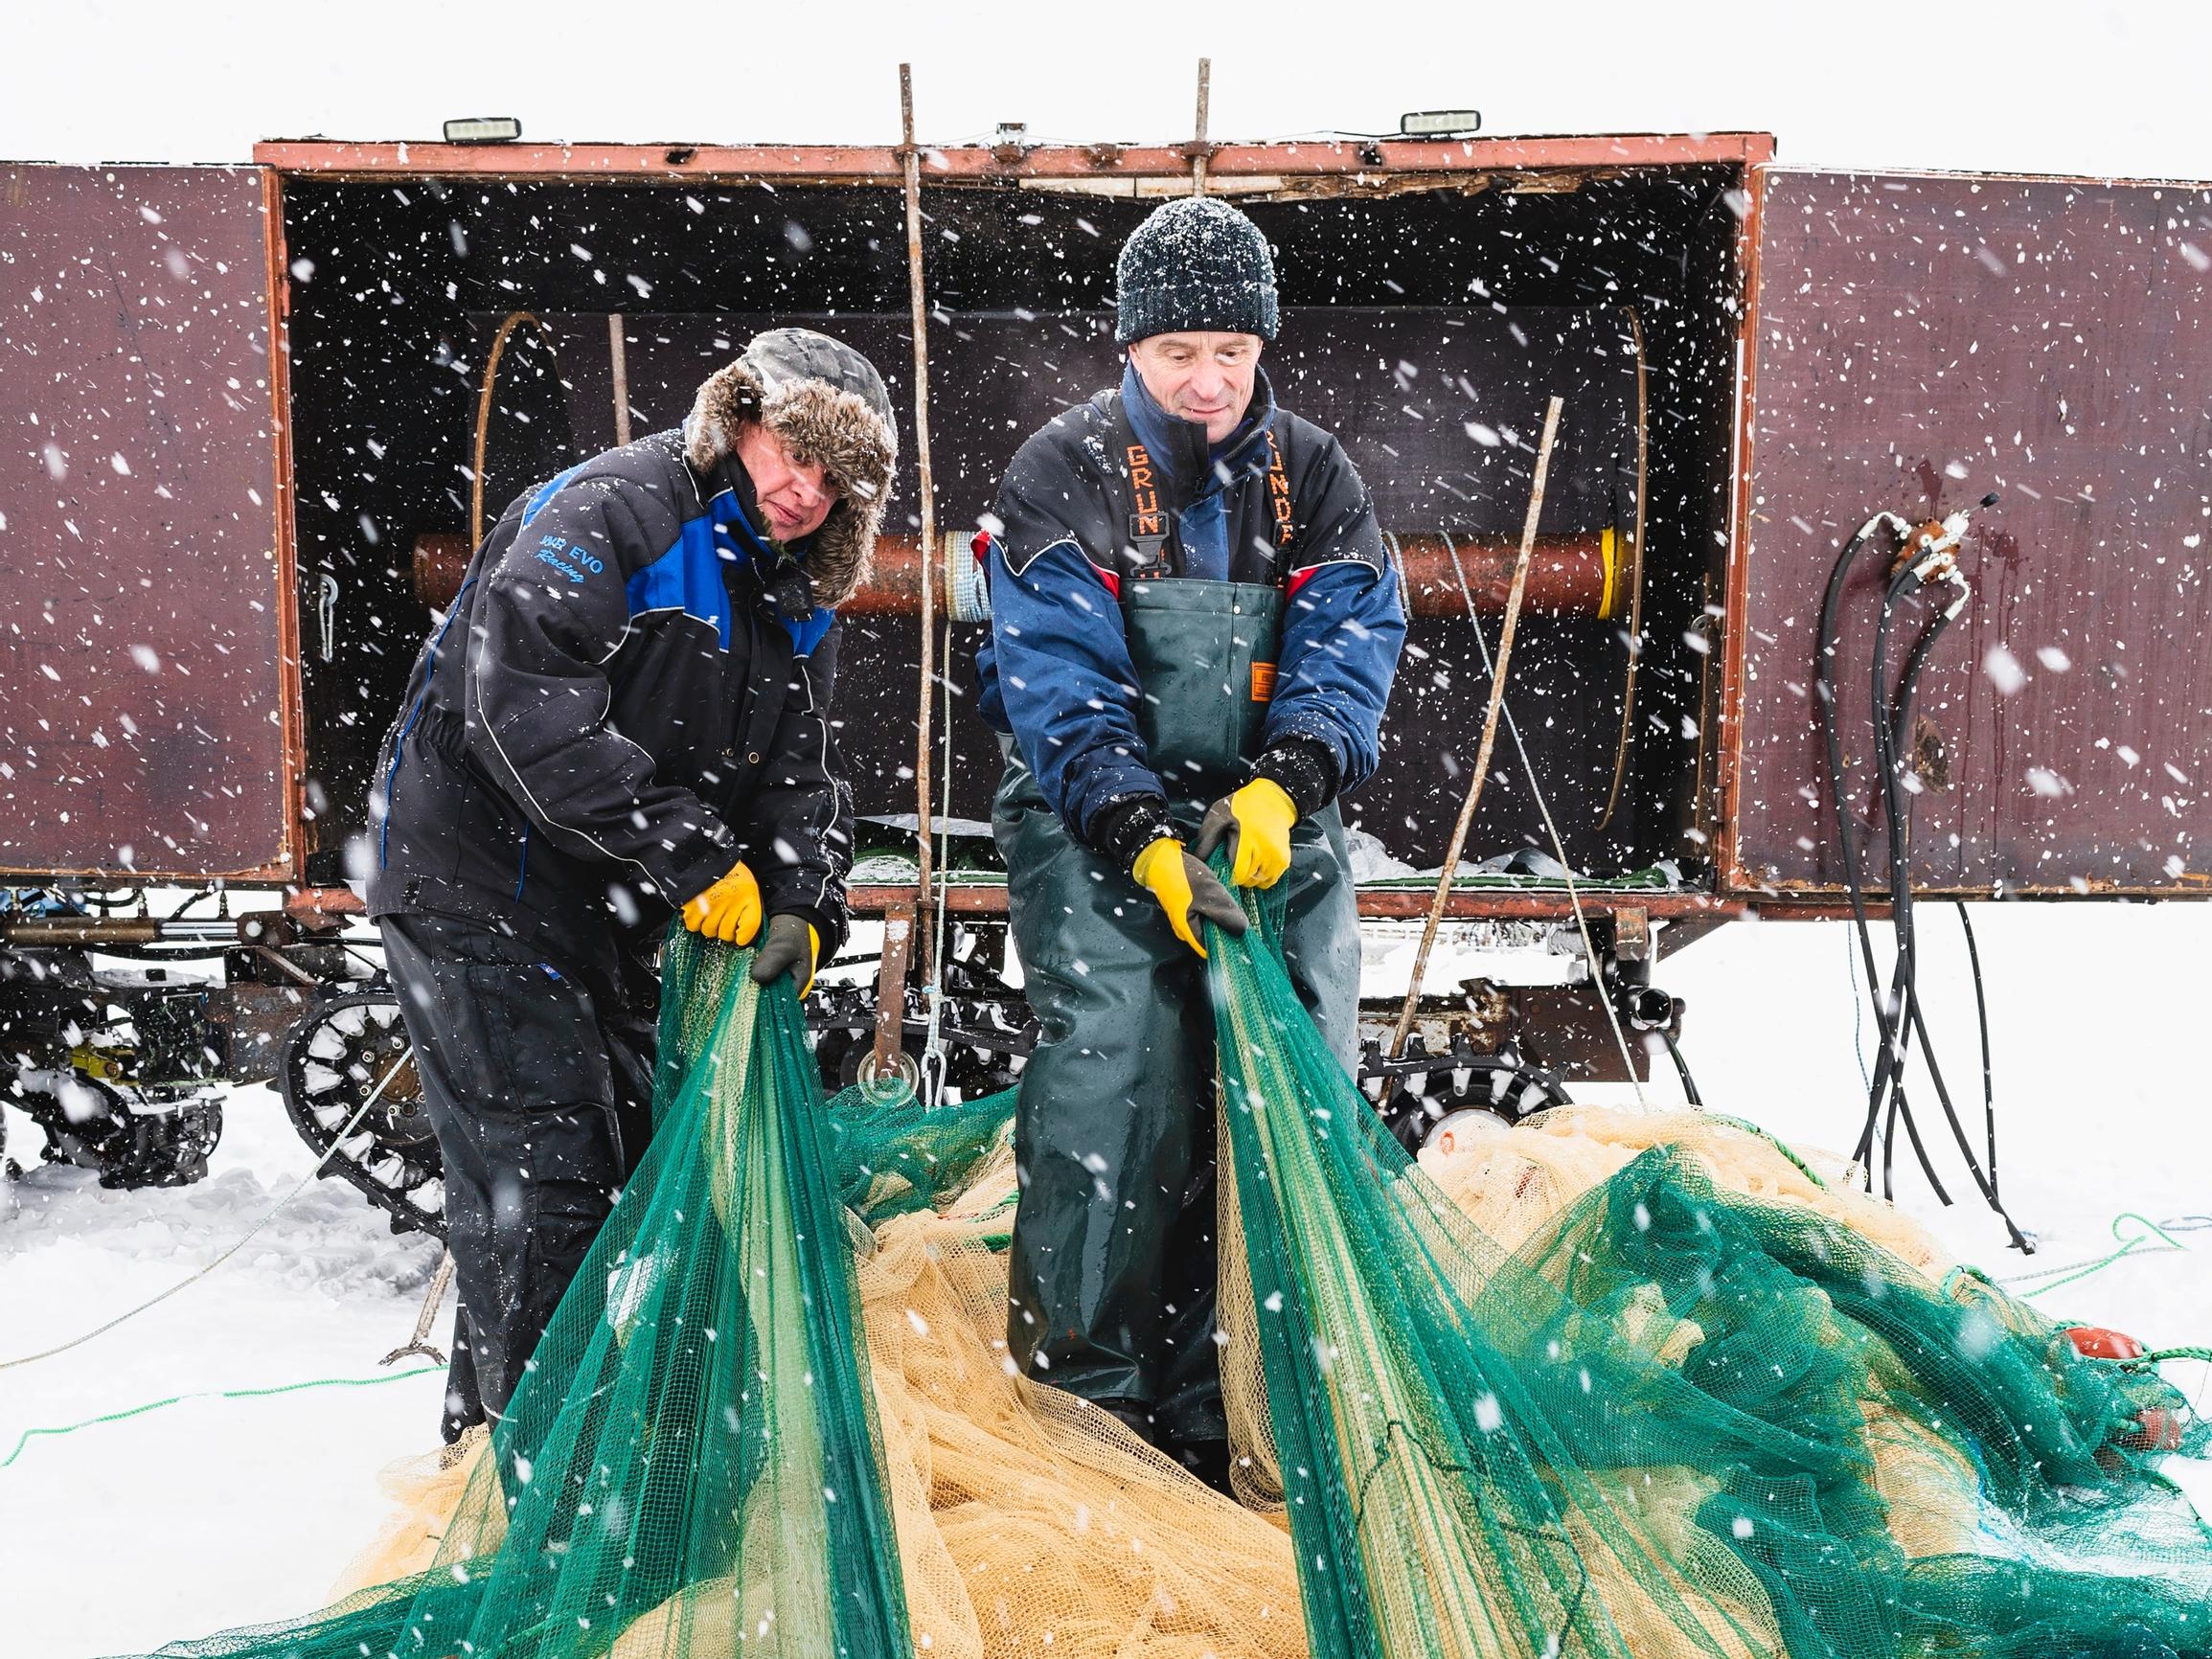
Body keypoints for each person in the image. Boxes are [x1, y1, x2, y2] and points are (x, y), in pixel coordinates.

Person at [366, 328, 896, 1438]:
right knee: (546, 1172)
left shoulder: (799, 589)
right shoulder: (613, 510)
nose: (805, 488)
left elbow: (797, 771)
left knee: (608, 1166)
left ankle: (493, 1450)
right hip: (476, 875)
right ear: (737, 419)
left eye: (834, 474)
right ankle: (546, 1508)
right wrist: (695, 859)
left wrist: (800, 900)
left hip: (598, 899)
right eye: (789, 451)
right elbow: (524, 707)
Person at [973, 196, 1407, 1486]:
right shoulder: (1062, 470)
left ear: (1263, 344)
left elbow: (1350, 640)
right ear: (1127, 349)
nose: (1208, 380)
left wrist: (1288, 784)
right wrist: (1140, 834)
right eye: (1178, 354)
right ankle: (1090, 1415)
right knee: (1117, 1071)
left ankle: (1253, 1400)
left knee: (1287, 1080)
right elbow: (1057, 680)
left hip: (1273, 821)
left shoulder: (1316, 473)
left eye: (1231, 349)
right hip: (1092, 815)